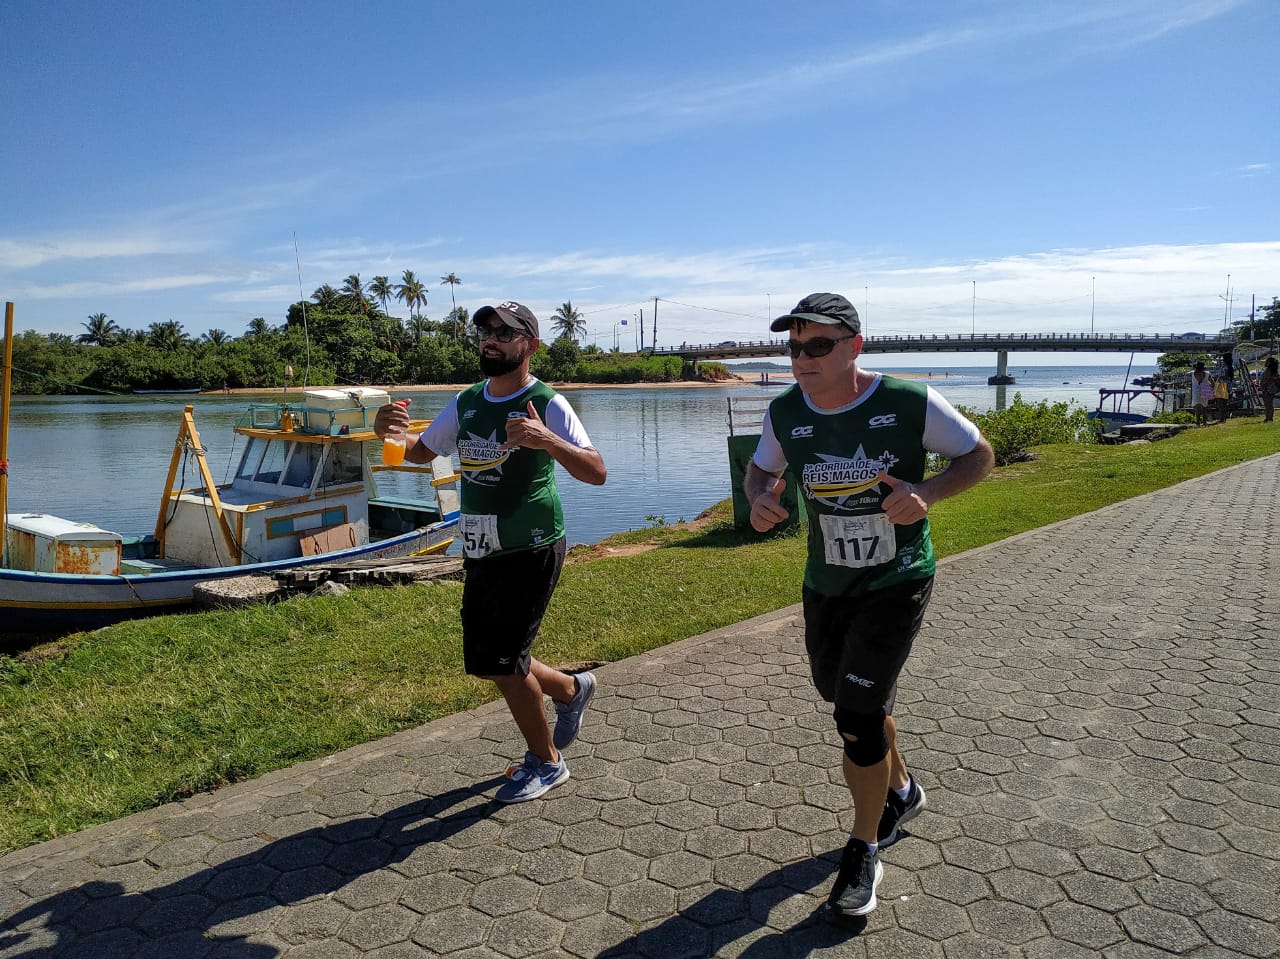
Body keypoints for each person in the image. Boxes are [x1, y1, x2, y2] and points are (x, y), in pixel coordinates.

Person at [744, 293, 994, 921]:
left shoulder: (906, 402)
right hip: (826, 582)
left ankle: (864, 845)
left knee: (855, 715)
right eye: (794, 346)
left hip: (897, 577)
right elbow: (759, 475)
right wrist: (760, 501)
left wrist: (926, 493)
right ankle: (903, 789)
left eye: (818, 345)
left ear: (855, 345)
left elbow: (980, 456)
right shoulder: (784, 412)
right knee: (848, 696)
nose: (802, 358)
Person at [374, 301, 607, 804]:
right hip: (480, 544)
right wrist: (387, 432)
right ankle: (570, 689)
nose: (490, 338)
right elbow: (419, 452)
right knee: (489, 658)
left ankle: (547, 763)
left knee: (504, 662)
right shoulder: (467, 402)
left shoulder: (546, 401)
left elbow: (596, 471)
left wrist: (547, 440)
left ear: (531, 345)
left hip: (532, 545)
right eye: (484, 329)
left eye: (505, 331)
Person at [1190, 361, 1213, 426]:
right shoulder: (1207, 373)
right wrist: (1212, 389)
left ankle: (1198, 422)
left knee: (1197, 407)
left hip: (1196, 391)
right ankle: (1204, 422)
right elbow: (1212, 382)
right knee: (1204, 407)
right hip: (1205, 390)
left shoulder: (1193, 373)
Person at [1261, 356, 1280, 423]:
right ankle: (1267, 417)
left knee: (1269, 404)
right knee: (1266, 404)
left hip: (1269, 389)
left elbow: (1276, 378)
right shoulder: (1269, 370)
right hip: (1265, 389)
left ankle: (1270, 418)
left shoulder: (1272, 371)